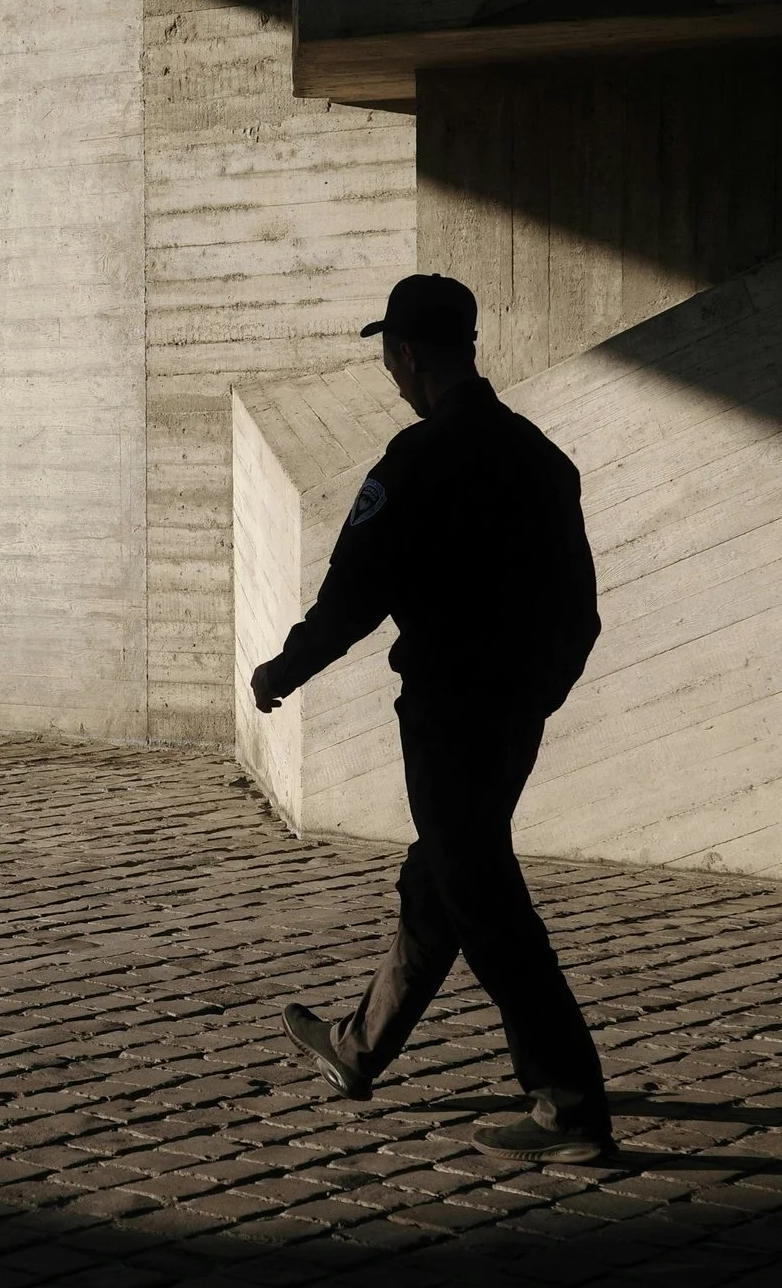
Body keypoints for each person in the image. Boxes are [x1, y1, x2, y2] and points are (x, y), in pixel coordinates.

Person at [249, 273, 612, 1163]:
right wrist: (538, 693)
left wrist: (281, 671)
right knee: (443, 875)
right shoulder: (540, 457)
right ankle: (359, 1046)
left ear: (406, 354)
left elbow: (351, 599)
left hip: (448, 721)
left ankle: (568, 1104)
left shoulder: (415, 463)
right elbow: (582, 610)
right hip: (513, 716)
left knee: (482, 896)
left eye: (390, 355)